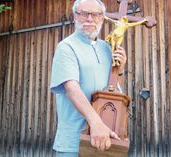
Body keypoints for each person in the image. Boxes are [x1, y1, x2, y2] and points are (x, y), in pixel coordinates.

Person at [50, 0, 127, 156]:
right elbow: (72, 89)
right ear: (75, 16)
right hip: (73, 143)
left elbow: (113, 91)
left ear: (102, 18)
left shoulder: (107, 48)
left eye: (96, 14)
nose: (90, 19)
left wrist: (119, 70)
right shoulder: (66, 47)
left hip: (103, 141)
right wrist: (96, 123)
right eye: (84, 14)